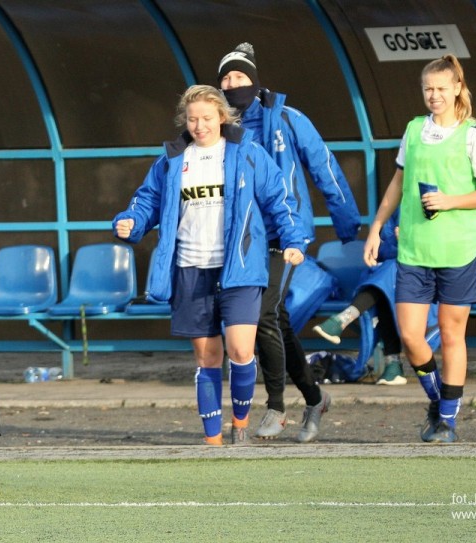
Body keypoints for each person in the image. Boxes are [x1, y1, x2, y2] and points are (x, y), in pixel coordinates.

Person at [113, 85, 306, 446]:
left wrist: (293, 240)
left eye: (206, 118)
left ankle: (240, 423)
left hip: (240, 268)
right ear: (184, 121)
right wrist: (130, 222)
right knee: (208, 357)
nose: (199, 126)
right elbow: (147, 201)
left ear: (221, 116)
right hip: (190, 269)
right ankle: (212, 441)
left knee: (241, 351)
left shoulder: (248, 151)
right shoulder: (172, 159)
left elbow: (279, 198)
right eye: (192, 119)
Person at [218, 42, 360, 442]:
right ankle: (315, 398)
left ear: (254, 80)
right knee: (276, 319)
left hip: (287, 233)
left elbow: (325, 167)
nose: (232, 84)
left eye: (239, 76)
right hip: (245, 238)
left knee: (263, 314)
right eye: (225, 78)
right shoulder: (219, 127)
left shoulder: (288, 118)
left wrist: (347, 223)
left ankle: (276, 407)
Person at [363, 54, 476, 443]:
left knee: (452, 334)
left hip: (459, 250)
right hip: (414, 251)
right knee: (410, 335)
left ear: (457, 88)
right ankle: (439, 401)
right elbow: (397, 183)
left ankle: (447, 422)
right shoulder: (413, 130)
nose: (434, 95)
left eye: (441, 88)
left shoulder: (471, 133)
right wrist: (376, 228)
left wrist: (449, 201)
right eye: (428, 89)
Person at [312, 214, 408, 385]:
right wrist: (390, 243)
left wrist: (411, 241)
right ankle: (393, 365)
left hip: (426, 282)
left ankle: (342, 319)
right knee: (384, 287)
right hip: (391, 281)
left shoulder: (435, 204)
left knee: (387, 277)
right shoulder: (394, 210)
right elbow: (384, 251)